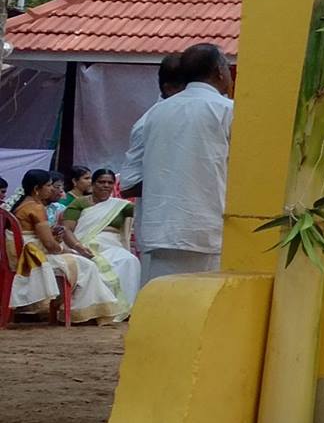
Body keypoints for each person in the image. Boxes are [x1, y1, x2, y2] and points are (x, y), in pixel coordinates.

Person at [122, 43, 234, 287]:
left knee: (163, 310)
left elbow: (129, 182)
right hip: (208, 229)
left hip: (159, 231)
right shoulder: (227, 110)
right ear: (219, 70)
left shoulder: (153, 115)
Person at [7, 169, 122, 323]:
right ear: (36, 189)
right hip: (31, 259)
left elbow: (35, 235)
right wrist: (64, 249)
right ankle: (79, 312)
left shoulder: (22, 204)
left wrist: (54, 236)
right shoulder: (36, 208)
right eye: (48, 186)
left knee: (80, 261)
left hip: (22, 256)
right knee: (87, 265)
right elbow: (49, 245)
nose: (52, 189)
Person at [69, 168, 141, 317]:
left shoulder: (122, 206)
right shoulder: (80, 203)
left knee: (129, 260)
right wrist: (78, 246)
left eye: (110, 182)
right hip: (83, 244)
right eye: (101, 182)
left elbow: (144, 209)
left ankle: (125, 309)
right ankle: (102, 310)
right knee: (92, 264)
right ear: (93, 184)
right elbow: (67, 229)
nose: (106, 185)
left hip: (112, 245)